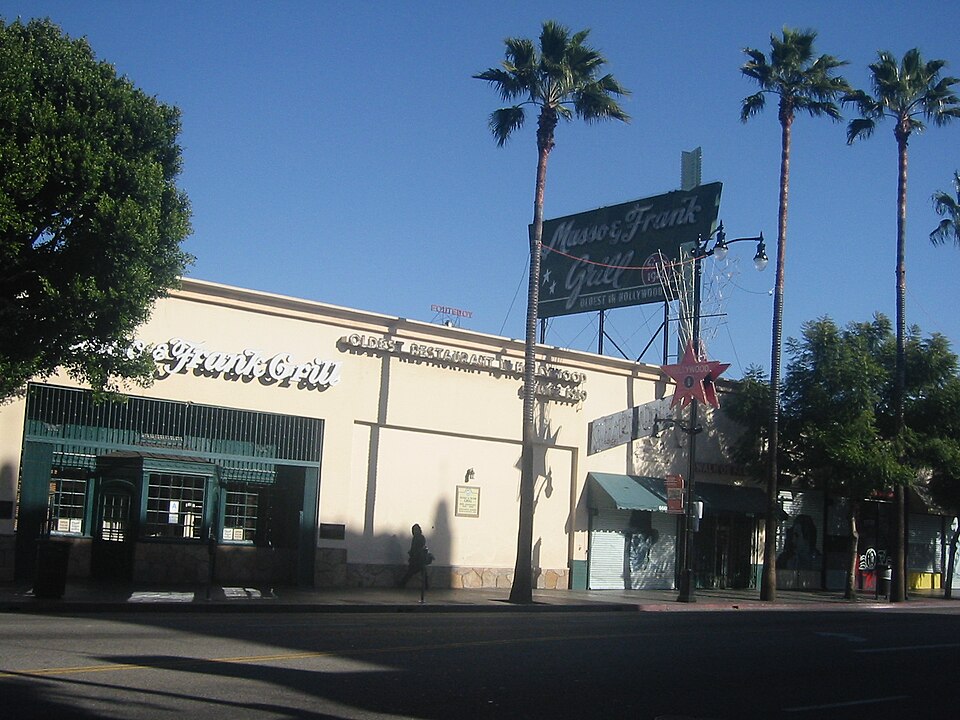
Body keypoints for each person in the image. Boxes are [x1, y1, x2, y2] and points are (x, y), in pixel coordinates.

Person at [399, 523, 432, 588]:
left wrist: (412, 554)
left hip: (416, 559)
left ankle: (402, 584)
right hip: (420, 559)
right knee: (423, 573)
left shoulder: (416, 537)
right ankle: (426, 586)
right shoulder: (421, 537)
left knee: (410, 573)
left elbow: (414, 548)